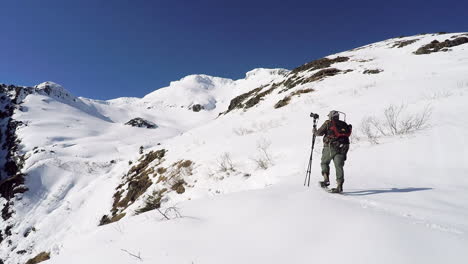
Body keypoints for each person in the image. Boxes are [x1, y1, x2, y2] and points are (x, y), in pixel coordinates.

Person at [313, 110, 351, 193]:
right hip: (344, 147)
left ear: (330, 116)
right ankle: (339, 186)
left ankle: (326, 179)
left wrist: (314, 130)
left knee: (324, 162)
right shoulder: (343, 124)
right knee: (339, 166)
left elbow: (319, 133)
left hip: (331, 146)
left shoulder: (328, 123)